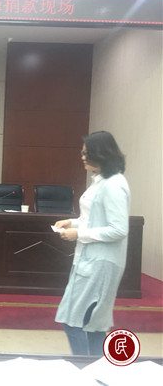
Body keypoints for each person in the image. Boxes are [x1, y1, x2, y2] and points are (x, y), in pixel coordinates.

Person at [54, 131, 130, 356]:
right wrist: (72, 222)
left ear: (102, 154)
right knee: (93, 325)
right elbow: (94, 219)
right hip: (89, 259)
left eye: (87, 153)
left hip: (101, 262)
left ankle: (84, 368)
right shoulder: (101, 181)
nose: (82, 157)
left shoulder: (114, 185)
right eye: (82, 152)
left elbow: (118, 229)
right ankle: (96, 370)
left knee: (74, 321)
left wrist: (79, 233)